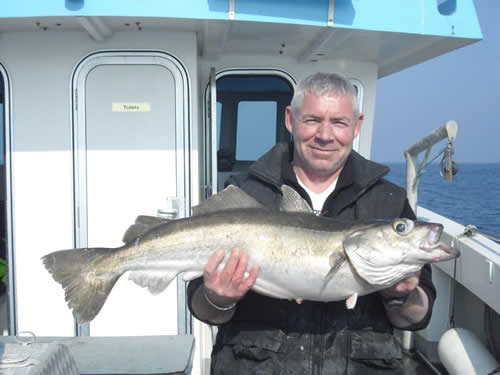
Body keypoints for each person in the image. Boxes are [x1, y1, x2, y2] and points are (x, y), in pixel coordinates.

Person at [187, 72, 436, 374]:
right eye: (312, 120)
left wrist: (401, 296)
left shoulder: (388, 202)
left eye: (340, 122)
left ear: (357, 126)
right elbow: (202, 307)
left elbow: (416, 316)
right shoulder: (246, 194)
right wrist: (217, 298)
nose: (325, 135)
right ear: (290, 120)